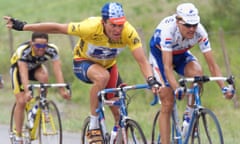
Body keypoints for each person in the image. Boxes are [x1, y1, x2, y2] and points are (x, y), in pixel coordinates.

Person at [4, 2, 160, 143]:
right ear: (103, 21)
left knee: (119, 114)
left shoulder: (129, 32)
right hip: (83, 63)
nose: (118, 30)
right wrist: (23, 26)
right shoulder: (90, 27)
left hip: (109, 66)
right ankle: (93, 124)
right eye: (113, 25)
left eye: (120, 25)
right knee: (102, 76)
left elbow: (142, 61)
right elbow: (57, 28)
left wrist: (151, 79)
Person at [148, 3, 234, 144]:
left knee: (197, 74)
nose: (192, 29)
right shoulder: (168, 31)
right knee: (168, 100)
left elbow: (212, 65)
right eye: (188, 25)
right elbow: (167, 67)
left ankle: (189, 116)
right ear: (178, 22)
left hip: (181, 54)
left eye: (194, 24)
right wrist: (176, 88)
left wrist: (223, 87)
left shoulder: (200, 31)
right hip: (161, 57)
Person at [9, 32, 71, 144]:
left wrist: (62, 90)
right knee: (22, 101)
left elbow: (57, 70)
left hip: (35, 68)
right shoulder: (24, 51)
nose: (41, 49)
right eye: (38, 46)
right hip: (18, 71)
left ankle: (42, 104)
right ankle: (18, 136)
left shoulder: (52, 50)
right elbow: (23, 73)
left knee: (44, 76)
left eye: (44, 46)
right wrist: (27, 91)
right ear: (32, 43)